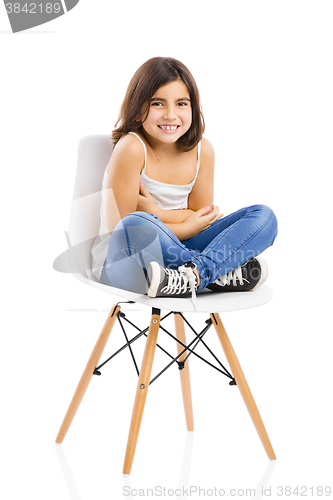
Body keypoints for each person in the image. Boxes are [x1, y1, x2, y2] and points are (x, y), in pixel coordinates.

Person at [91, 57, 278, 300]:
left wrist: (157, 211)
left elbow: (203, 219)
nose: (171, 115)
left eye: (181, 103)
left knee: (264, 217)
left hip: (174, 265)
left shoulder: (203, 150)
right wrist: (183, 224)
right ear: (138, 110)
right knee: (136, 224)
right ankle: (217, 272)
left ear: (193, 108)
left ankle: (195, 275)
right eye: (158, 103)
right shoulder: (132, 148)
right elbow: (121, 231)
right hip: (122, 264)